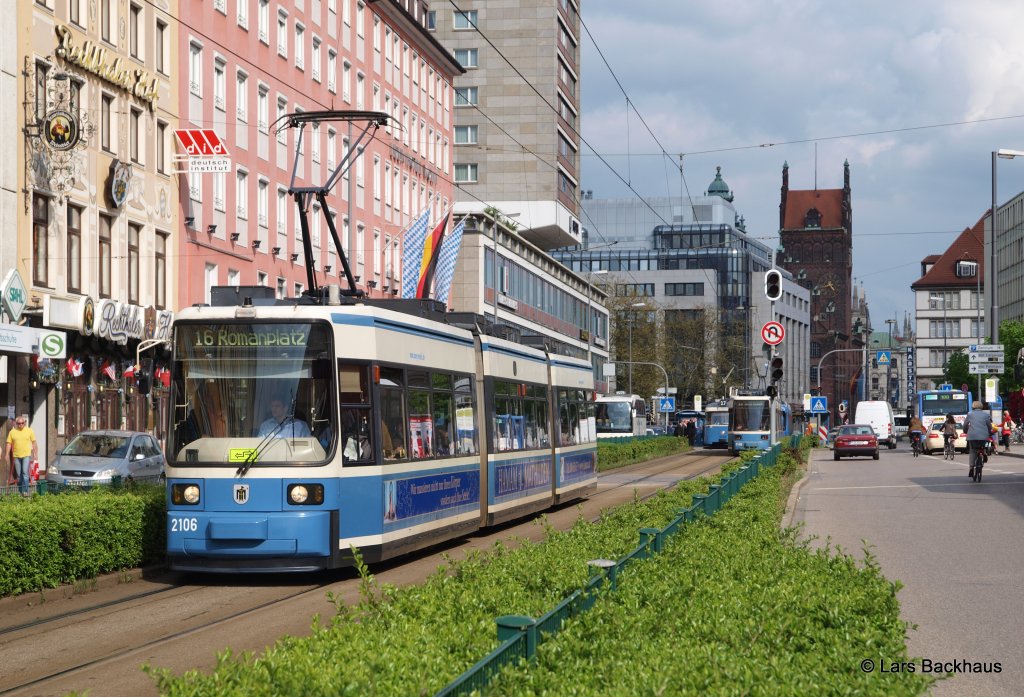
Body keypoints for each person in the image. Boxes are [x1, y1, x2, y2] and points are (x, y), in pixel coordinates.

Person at [5, 415, 39, 496]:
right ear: (16, 423)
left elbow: (34, 442)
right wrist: (6, 454)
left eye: (22, 423)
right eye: (18, 423)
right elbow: (8, 443)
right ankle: (21, 491)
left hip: (26, 455)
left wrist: (35, 454)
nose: (20, 425)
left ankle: (26, 491)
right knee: (19, 476)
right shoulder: (12, 432)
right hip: (16, 456)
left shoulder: (29, 431)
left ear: (25, 423)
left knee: (25, 473)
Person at [964, 400, 993, 478]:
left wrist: (965, 431)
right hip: (983, 436)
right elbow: (989, 426)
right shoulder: (986, 415)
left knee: (972, 452)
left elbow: (965, 425)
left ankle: (971, 468)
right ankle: (985, 453)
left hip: (972, 436)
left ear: (973, 407)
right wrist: (990, 432)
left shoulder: (970, 414)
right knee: (984, 446)